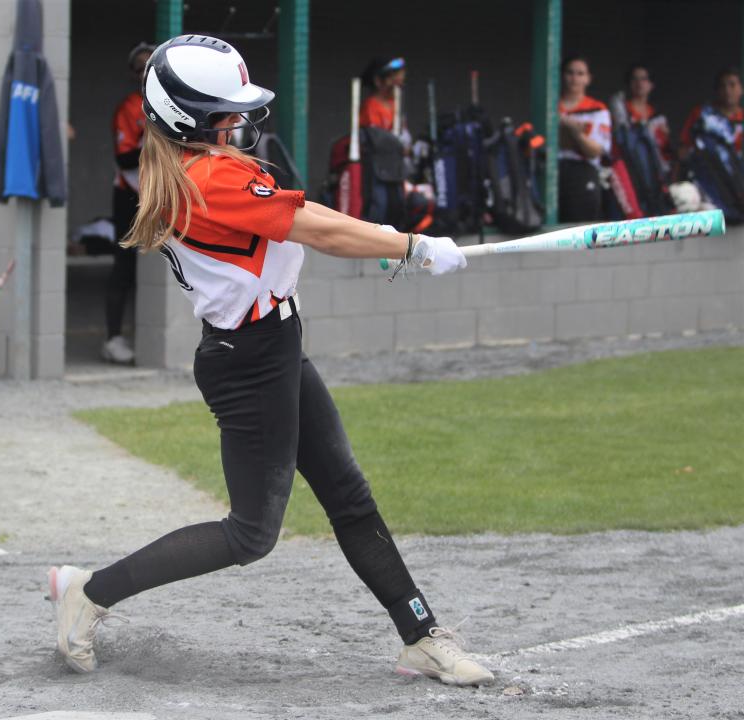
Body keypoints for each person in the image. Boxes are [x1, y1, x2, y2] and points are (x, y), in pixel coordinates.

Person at [47, 34, 493, 687]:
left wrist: (405, 246)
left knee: (348, 493)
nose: (239, 122)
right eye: (224, 112)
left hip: (272, 344)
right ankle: (89, 592)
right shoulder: (208, 177)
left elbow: (304, 218)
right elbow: (318, 229)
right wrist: (411, 247)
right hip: (249, 362)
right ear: (186, 121)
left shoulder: (194, 166)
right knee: (251, 534)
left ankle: (422, 637)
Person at [101, 42, 154, 364]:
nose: (146, 72)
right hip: (129, 196)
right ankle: (113, 338)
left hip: (162, 197)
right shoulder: (130, 107)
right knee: (124, 268)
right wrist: (155, 145)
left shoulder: (174, 103)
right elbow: (123, 158)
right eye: (141, 67)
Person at [558, 55, 611, 222]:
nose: (574, 78)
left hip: (583, 173)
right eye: (570, 73)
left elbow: (595, 151)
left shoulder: (597, 109)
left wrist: (575, 132)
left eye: (580, 74)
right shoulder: (550, 105)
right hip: (552, 172)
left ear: (588, 79)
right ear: (562, 75)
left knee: (581, 230)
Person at [679, 66, 744, 158]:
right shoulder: (701, 114)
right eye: (722, 86)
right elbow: (683, 148)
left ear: (741, 89)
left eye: (732, 85)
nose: (727, 90)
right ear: (717, 90)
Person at [620, 63, 673, 173]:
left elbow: (665, 150)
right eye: (635, 79)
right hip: (629, 168)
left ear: (651, 84)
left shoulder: (657, 116)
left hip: (654, 170)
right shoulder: (622, 111)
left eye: (644, 79)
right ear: (629, 83)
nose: (639, 83)